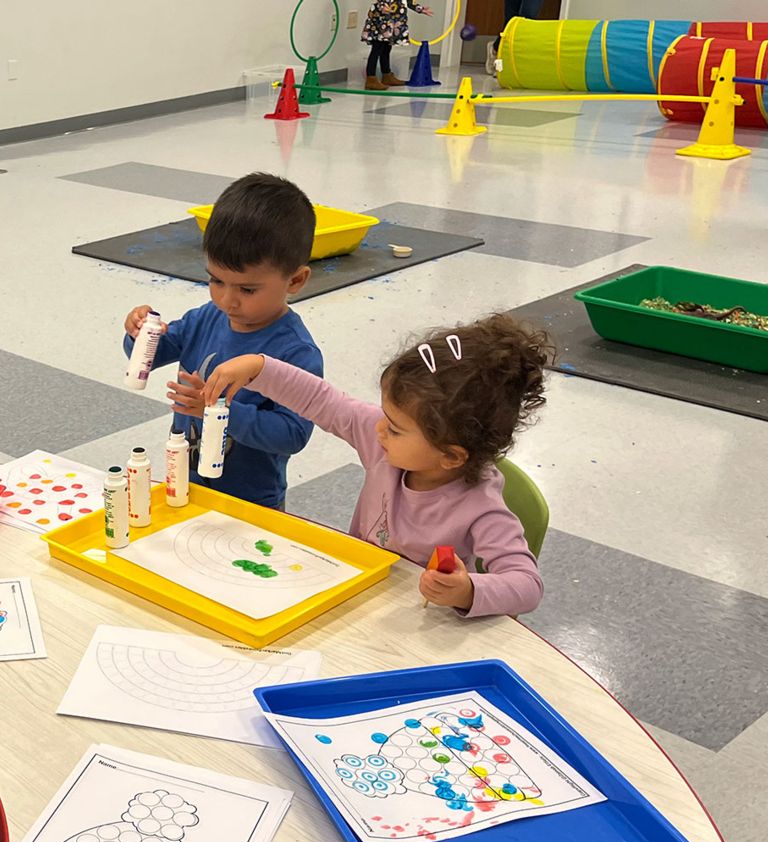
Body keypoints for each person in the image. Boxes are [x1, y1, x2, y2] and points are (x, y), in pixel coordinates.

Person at [201, 314, 550, 617]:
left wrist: (467, 590)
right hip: (358, 595)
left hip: (416, 622)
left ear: (451, 456)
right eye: (385, 416)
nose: (379, 428)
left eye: (395, 428)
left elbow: (527, 585)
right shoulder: (383, 441)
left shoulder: (480, 507)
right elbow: (324, 401)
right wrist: (260, 368)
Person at [121, 172, 321, 510]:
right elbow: (153, 356)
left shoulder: (296, 352)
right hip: (185, 483)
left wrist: (216, 412)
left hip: (251, 501)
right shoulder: (206, 317)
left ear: (296, 280)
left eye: (247, 289)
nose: (227, 300)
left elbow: (292, 434)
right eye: (216, 280)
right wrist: (141, 333)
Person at [362, 0, 434, 90]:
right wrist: (382, 5)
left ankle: (386, 75)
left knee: (386, 48)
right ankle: (371, 78)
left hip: (392, 19)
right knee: (377, 48)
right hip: (381, 19)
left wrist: (420, 9)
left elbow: (408, 1)